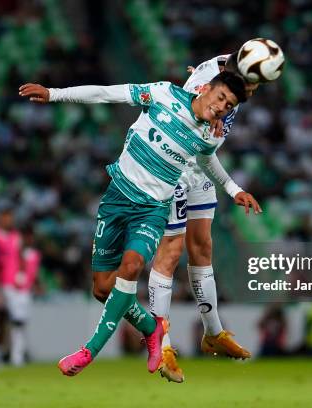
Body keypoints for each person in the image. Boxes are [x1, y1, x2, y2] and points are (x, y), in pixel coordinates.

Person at [19, 70, 254, 376]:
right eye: (221, 97)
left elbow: (207, 161)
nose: (222, 106)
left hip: (153, 210)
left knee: (130, 267)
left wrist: (234, 190)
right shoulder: (162, 94)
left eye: (229, 105)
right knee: (103, 288)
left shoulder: (208, 133)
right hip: (117, 198)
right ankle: (150, 326)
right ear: (206, 88)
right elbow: (107, 93)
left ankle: (88, 351)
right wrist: (54, 93)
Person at [148, 50, 263, 382]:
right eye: (253, 83)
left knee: (203, 248)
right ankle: (162, 343)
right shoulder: (208, 87)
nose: (253, 91)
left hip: (199, 170)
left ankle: (213, 332)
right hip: (175, 167)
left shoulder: (230, 73)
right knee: (170, 251)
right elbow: (196, 98)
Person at [0, 209, 22, 364]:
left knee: (16, 319)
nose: (8, 221)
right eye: (5, 218)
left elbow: (19, 256)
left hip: (14, 284)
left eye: (10, 218)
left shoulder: (16, 236)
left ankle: (15, 354)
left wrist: (21, 275)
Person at [8, 226, 41, 366]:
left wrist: (37, 285)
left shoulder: (34, 254)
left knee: (21, 323)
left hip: (26, 291)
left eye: (30, 236)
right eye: (26, 236)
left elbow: (34, 273)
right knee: (17, 322)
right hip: (14, 290)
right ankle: (16, 355)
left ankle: (19, 353)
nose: (28, 239)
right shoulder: (15, 252)